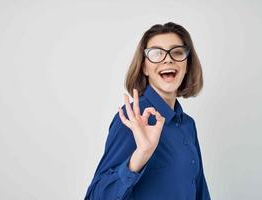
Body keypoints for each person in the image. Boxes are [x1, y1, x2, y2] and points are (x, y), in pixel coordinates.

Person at [84, 22, 211, 200]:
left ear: (187, 64)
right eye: (156, 53)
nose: (168, 59)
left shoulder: (188, 124)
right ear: (144, 67)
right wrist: (141, 154)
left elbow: (199, 191)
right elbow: (96, 197)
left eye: (177, 52)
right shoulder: (132, 119)